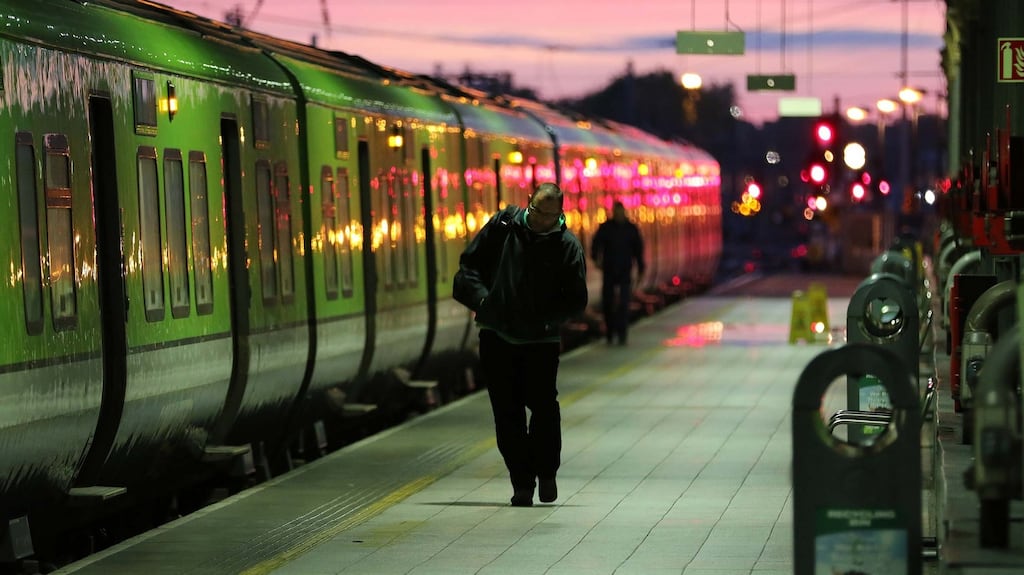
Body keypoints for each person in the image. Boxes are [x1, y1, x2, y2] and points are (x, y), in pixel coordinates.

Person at [453, 182, 588, 507]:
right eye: (538, 212)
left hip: (541, 340)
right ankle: (522, 482)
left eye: (550, 215)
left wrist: (547, 319)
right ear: (529, 203)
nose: (543, 220)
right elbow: (468, 268)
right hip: (496, 334)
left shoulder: (566, 246)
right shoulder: (502, 227)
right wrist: (485, 303)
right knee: (506, 412)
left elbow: (576, 299)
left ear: (560, 213)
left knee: (543, 408)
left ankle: (546, 473)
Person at [590, 201, 645, 345]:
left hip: (624, 271)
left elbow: (638, 250)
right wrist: (596, 258)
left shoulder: (631, 229)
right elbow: (596, 244)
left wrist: (641, 268)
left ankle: (622, 333)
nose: (618, 214)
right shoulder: (606, 228)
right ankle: (610, 332)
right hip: (609, 271)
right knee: (608, 302)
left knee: (624, 303)